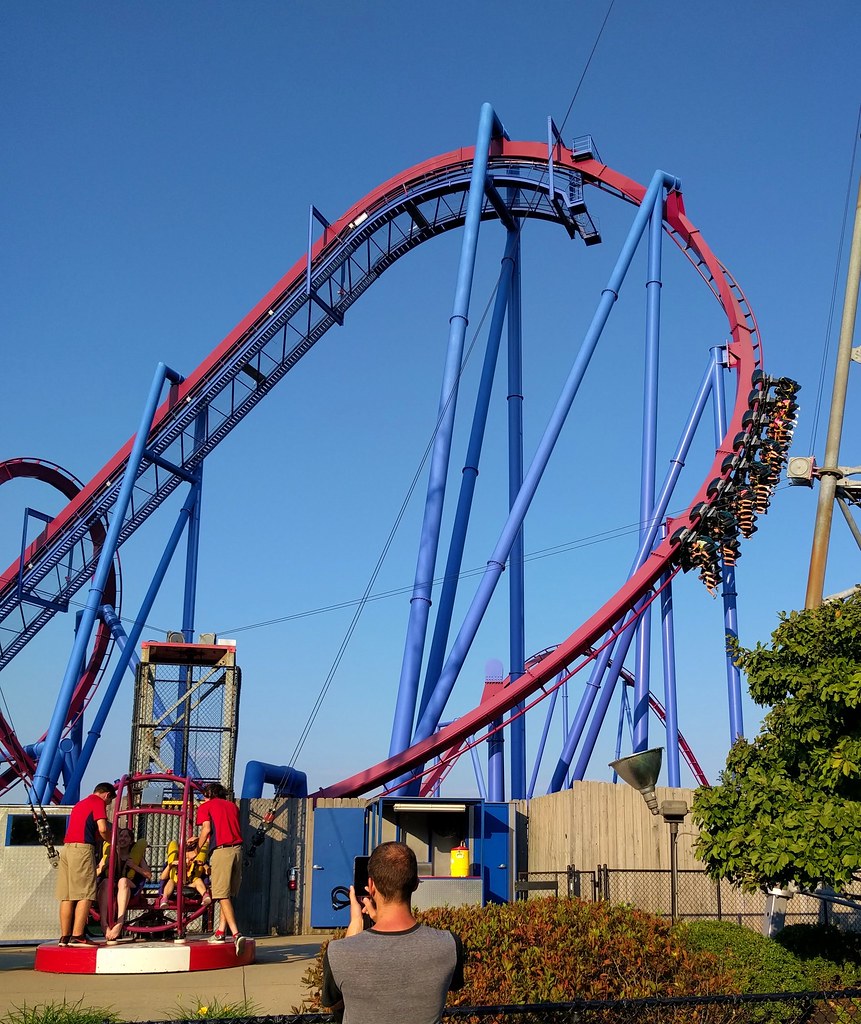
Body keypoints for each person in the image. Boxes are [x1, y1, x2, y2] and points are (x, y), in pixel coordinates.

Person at [322, 841, 464, 1024]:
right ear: (415, 883)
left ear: (371, 886)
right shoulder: (449, 945)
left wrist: (356, 926)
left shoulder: (338, 952)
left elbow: (335, 1003)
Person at [55, 781, 116, 947]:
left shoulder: (80, 804)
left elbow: (85, 827)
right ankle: (78, 935)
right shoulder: (98, 802)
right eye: (109, 802)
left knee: (67, 895)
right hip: (81, 850)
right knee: (86, 893)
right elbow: (102, 828)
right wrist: (112, 840)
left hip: (67, 849)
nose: (107, 804)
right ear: (107, 795)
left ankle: (64, 937)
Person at [195, 782, 245, 955]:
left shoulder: (206, 806)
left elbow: (206, 829)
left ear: (208, 794)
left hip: (221, 851)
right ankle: (220, 932)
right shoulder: (232, 807)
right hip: (238, 850)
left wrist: (196, 850)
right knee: (228, 893)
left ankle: (236, 934)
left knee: (221, 894)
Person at [97, 825, 152, 942]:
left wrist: (134, 866)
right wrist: (105, 866)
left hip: (129, 887)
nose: (123, 838)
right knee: (106, 881)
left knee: (122, 881)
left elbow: (149, 875)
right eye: (121, 836)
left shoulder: (136, 857)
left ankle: (119, 922)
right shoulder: (109, 855)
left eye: (126, 837)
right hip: (110, 887)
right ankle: (104, 923)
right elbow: (96, 872)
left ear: (131, 841)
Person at [158, 836, 211, 906]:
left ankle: (205, 895)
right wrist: (170, 865)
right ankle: (165, 899)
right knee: (171, 881)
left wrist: (203, 864)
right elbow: (162, 877)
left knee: (198, 880)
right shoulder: (175, 859)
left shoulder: (198, 860)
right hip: (176, 884)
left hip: (191, 884)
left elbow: (208, 872)